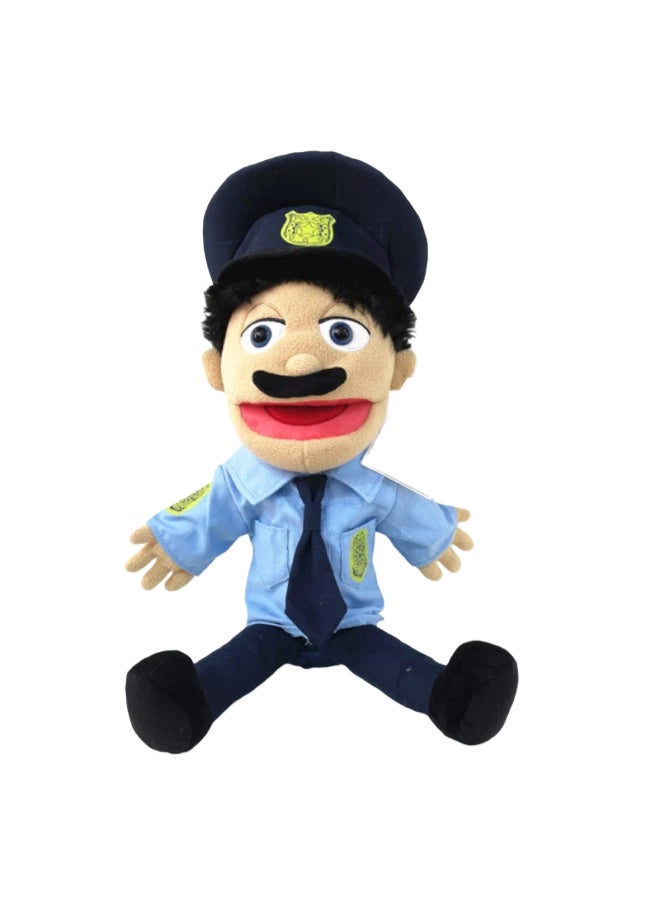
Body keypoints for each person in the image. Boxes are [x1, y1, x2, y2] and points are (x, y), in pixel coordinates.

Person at [125, 151, 518, 753]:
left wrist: (435, 533)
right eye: (263, 334)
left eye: (342, 333)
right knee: (243, 659)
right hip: (271, 624)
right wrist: (175, 539)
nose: (303, 362)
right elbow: (212, 510)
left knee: (386, 659)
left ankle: (453, 698)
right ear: (217, 368)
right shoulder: (242, 484)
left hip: (353, 625)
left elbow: (403, 510)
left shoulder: (371, 492)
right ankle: (187, 702)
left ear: (396, 368)